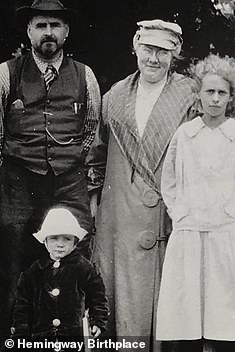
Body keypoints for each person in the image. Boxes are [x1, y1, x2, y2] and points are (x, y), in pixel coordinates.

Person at [86, 19, 198, 351]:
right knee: (117, 296)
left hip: (169, 212)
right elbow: (97, 152)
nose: (154, 59)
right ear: (136, 46)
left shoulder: (190, 93)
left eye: (163, 51)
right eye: (148, 49)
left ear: (175, 53)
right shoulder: (115, 94)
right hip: (119, 214)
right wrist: (95, 201)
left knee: (164, 296)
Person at [156, 54, 235, 352]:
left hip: (229, 234)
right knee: (188, 311)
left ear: (231, 97)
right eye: (210, 92)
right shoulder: (185, 134)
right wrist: (179, 213)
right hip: (191, 232)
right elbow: (168, 180)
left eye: (222, 93)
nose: (216, 99)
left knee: (228, 313)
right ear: (198, 95)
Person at [0, 0, 100, 338]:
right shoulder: (6, 73)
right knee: (13, 260)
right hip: (19, 184)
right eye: (41, 25)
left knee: (76, 259)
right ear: (29, 31)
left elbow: (90, 130)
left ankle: (76, 337)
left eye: (54, 26)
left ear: (66, 32)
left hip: (68, 183)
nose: (48, 33)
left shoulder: (85, 76)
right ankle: (15, 337)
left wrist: (69, 159)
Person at [11, 207, 108, 343]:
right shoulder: (34, 271)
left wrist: (98, 320)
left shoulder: (83, 268)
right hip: (42, 336)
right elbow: (23, 305)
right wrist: (21, 332)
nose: (60, 244)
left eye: (67, 239)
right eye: (54, 238)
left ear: (75, 243)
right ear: (45, 241)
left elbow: (97, 296)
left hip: (72, 334)